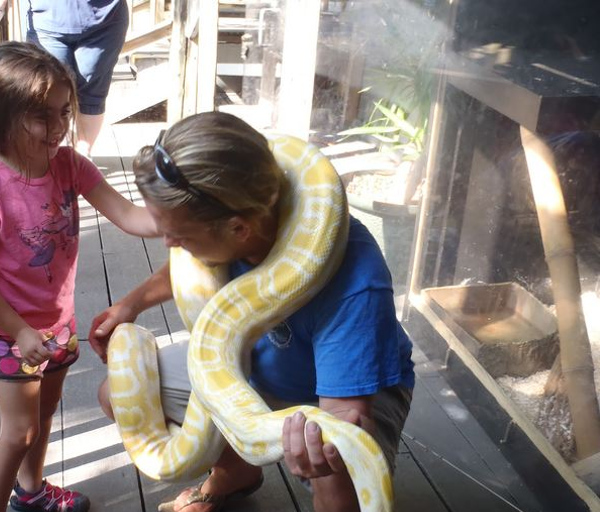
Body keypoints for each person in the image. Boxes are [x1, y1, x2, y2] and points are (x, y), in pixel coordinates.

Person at [88, 111, 415, 512]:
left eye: (181, 235)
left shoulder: (353, 282)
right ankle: (235, 471)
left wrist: (324, 443)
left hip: (343, 390)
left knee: (334, 470)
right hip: (255, 365)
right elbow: (191, 263)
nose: (169, 243)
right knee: (118, 392)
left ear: (239, 229)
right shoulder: (234, 224)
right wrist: (130, 304)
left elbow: (344, 412)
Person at [0, 41, 158, 512]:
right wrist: (19, 330)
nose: (60, 125)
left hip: (58, 323)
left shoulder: (70, 167)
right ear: (4, 118)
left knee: (44, 416)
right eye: (43, 116)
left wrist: (176, 220)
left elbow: (129, 216)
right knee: (18, 430)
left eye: (64, 111)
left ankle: (30, 495)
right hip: (12, 332)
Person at [24, 0, 130, 156]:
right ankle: (52, 160)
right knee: (47, 95)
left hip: (105, 21)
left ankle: (81, 158)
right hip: (46, 21)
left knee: (92, 96)